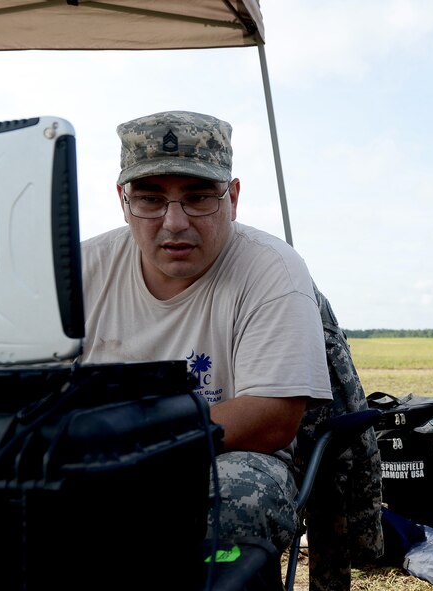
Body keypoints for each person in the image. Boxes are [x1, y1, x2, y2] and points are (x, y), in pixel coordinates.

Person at [79, 110, 333, 552]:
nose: (174, 222)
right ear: (123, 199)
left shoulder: (271, 269)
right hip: (93, 458)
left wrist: (137, 443)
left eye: (198, 198)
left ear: (233, 198)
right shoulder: (79, 271)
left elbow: (272, 417)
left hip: (226, 456)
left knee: (231, 496)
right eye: (150, 199)